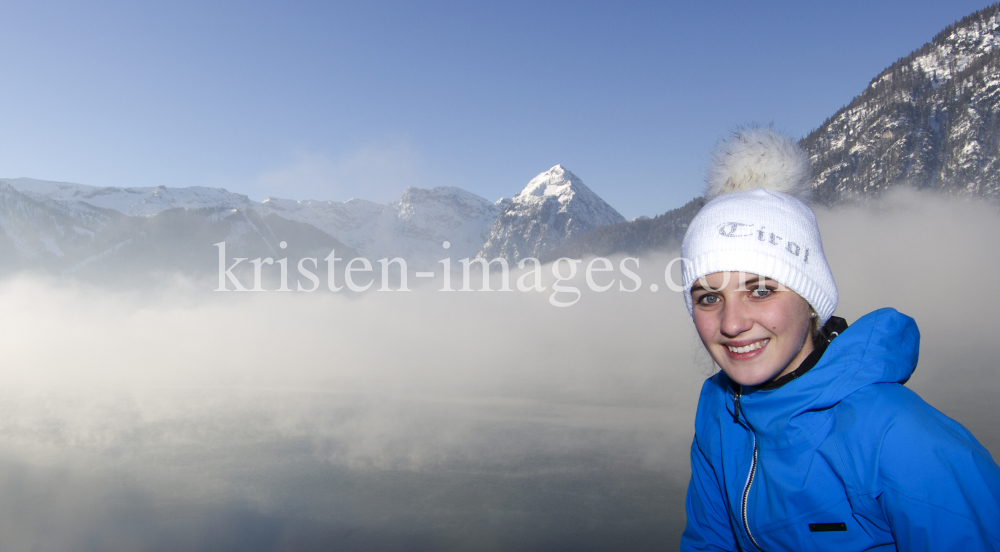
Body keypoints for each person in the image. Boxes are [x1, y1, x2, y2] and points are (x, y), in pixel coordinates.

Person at [678, 126, 1000, 551]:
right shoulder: (719, 414)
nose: (732, 323)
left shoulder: (904, 440)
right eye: (708, 297)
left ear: (810, 299)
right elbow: (709, 542)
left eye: (761, 291)